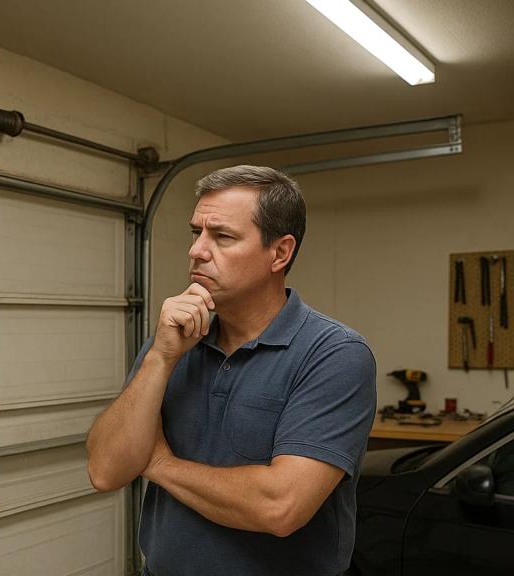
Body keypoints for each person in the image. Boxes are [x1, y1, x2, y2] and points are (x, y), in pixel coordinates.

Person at [87, 165, 376, 576]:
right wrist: (160, 358)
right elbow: (105, 470)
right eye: (196, 233)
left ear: (280, 253)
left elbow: (280, 506)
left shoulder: (334, 354)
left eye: (222, 237)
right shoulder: (173, 338)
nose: (197, 250)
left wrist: (160, 464)